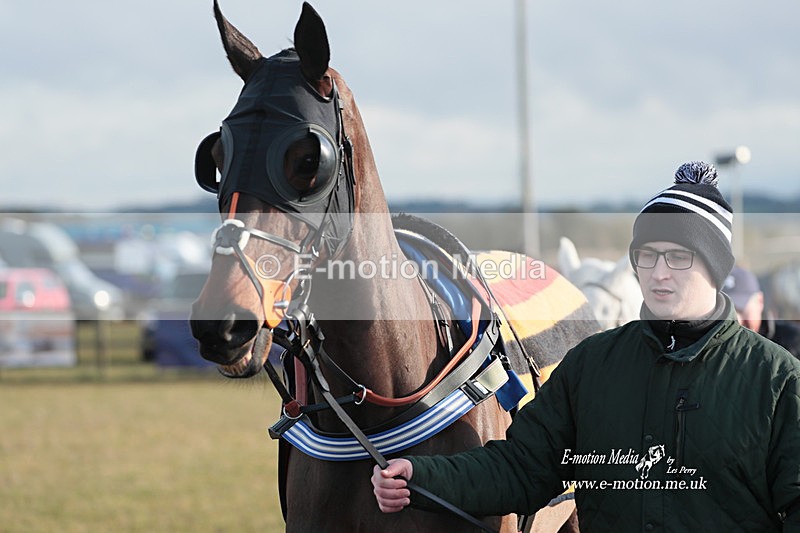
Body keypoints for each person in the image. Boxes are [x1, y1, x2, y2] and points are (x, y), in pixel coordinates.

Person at [371, 161, 800, 532]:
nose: (658, 273)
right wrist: (420, 477)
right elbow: (523, 467)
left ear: (715, 266)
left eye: (678, 257)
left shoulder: (777, 380)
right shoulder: (592, 365)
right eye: (647, 256)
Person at [724, 265, 800, 359]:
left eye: (740, 309)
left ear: (760, 301)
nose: (737, 320)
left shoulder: (793, 341)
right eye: (727, 311)